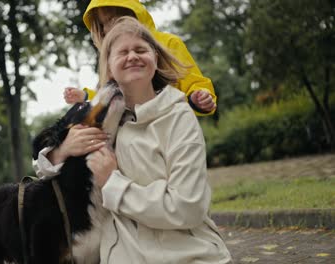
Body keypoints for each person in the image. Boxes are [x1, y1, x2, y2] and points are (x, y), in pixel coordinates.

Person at [37, 16, 232, 264]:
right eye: (123, 52)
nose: (133, 56)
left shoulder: (178, 115)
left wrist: (112, 183)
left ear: (155, 60)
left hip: (188, 255)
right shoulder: (105, 124)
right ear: (108, 66)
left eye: (141, 50)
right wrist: (62, 151)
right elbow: (48, 173)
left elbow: (187, 207)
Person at [64, 0, 217, 116]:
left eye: (116, 18)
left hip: (171, 125)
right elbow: (111, 93)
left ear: (132, 15)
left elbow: (194, 83)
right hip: (133, 136)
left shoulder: (168, 43)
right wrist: (86, 96)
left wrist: (199, 98)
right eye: (104, 23)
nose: (111, 27)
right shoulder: (113, 57)